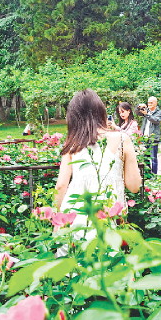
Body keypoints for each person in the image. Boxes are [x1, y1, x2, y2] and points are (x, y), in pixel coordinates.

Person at [54, 89, 141, 249]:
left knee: (72, 263)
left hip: (74, 220)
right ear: (101, 111)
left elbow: (61, 185)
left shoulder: (72, 142)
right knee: (108, 261)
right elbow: (134, 186)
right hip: (108, 218)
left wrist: (58, 219)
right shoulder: (122, 139)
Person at [137, 96, 161, 174]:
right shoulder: (146, 110)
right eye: (148, 103)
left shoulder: (159, 112)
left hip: (153, 138)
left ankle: (154, 175)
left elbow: (156, 120)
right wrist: (139, 106)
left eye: (151, 103)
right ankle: (147, 174)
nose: (149, 104)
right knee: (145, 157)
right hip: (145, 137)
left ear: (156, 103)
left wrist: (147, 114)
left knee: (153, 158)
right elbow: (137, 113)